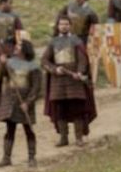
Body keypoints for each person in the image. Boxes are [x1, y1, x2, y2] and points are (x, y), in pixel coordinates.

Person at [42, 15, 97, 147]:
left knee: (77, 110)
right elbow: (44, 60)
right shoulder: (53, 42)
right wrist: (55, 69)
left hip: (74, 82)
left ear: (70, 26)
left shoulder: (76, 41)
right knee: (60, 111)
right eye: (61, 24)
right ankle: (63, 138)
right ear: (58, 26)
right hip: (58, 82)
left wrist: (80, 72)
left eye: (66, 24)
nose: (64, 26)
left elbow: (83, 60)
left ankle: (79, 138)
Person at [0, 40, 41, 168]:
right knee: (10, 129)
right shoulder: (9, 63)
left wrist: (28, 102)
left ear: (25, 49)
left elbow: (36, 87)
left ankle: (32, 157)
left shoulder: (33, 66)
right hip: (11, 101)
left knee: (28, 130)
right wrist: (1, 64)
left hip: (24, 102)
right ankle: (6, 157)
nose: (16, 47)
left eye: (19, 46)